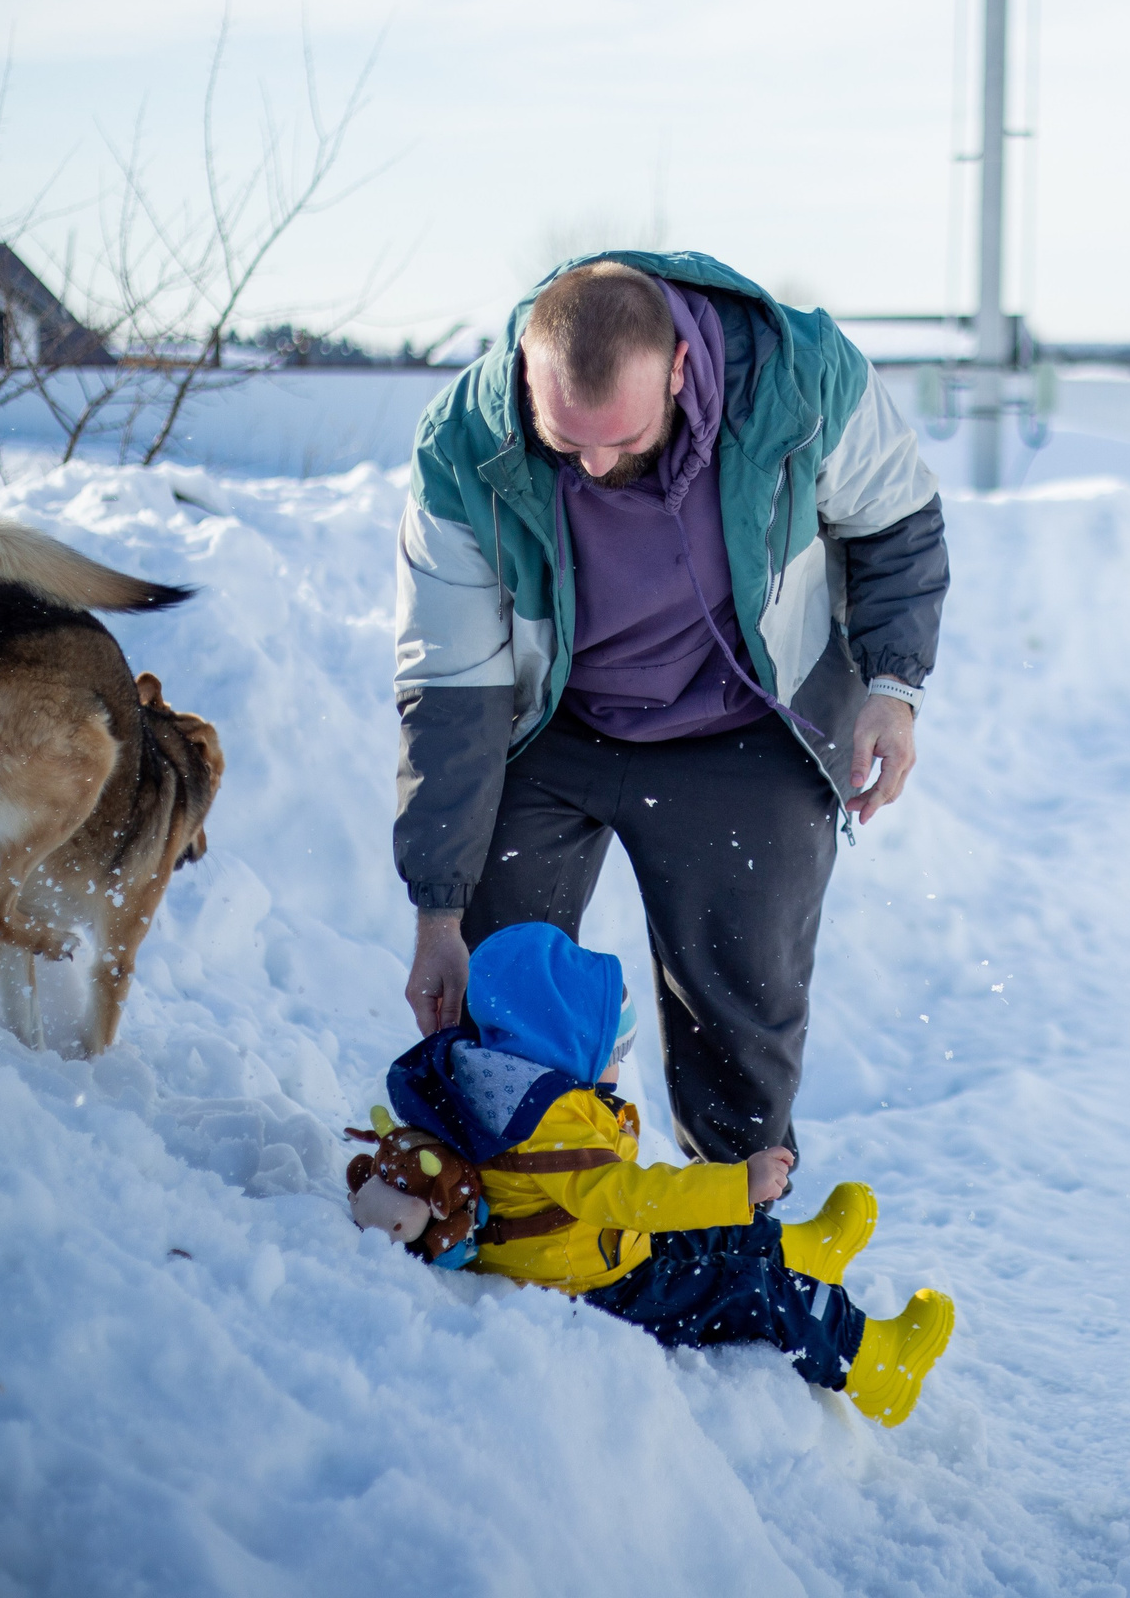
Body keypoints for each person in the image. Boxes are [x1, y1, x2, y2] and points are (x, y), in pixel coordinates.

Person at [393, 252, 947, 1171]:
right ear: (525, 375)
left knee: (742, 1003)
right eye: (567, 442)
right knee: (504, 983)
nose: (597, 464)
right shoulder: (467, 443)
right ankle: (524, 1203)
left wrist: (893, 690)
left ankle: (735, 1227)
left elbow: (899, 521)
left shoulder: (797, 380)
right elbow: (451, 684)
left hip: (739, 724)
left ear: (681, 370)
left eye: (621, 435)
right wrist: (437, 916)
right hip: (551, 727)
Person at [385, 923, 956, 1425]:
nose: (618, 1064)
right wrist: (739, 1184)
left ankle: (803, 1250)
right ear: (564, 1043)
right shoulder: (545, 1122)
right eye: (615, 1047)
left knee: (705, 1231)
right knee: (755, 1292)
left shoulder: (499, 1078)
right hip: (595, 1285)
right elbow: (626, 1195)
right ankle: (876, 1365)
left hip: (589, 1245)